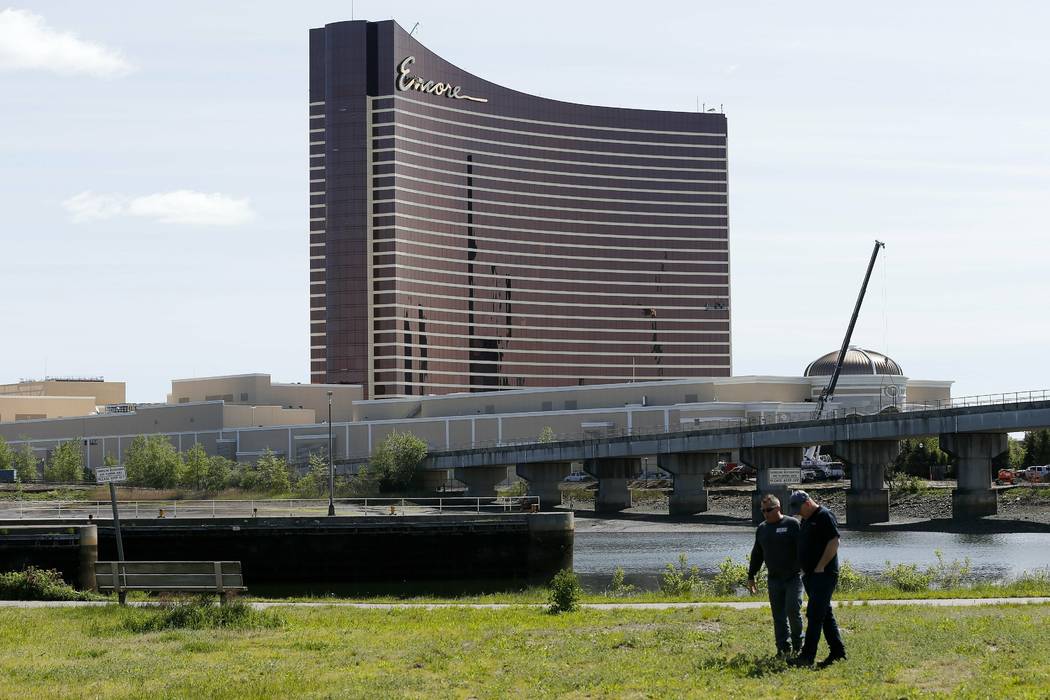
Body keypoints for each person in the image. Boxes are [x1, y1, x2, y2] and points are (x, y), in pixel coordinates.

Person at [787, 490, 847, 668]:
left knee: (814, 614)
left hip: (824, 574)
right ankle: (838, 653)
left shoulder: (824, 515)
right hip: (811, 576)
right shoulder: (806, 518)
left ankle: (807, 657)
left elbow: (834, 542)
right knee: (824, 614)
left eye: (799, 509)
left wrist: (821, 566)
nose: (798, 514)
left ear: (807, 503)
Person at [746, 494, 803, 657]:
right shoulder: (762, 528)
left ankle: (798, 646)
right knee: (778, 616)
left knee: (793, 610)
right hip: (774, 579)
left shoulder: (792, 524)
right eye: (763, 510)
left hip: (793, 577)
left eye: (768, 510)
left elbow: (804, 548)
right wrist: (751, 576)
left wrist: (808, 569)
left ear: (778, 508)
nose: (765, 513)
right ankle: (782, 649)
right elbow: (757, 554)